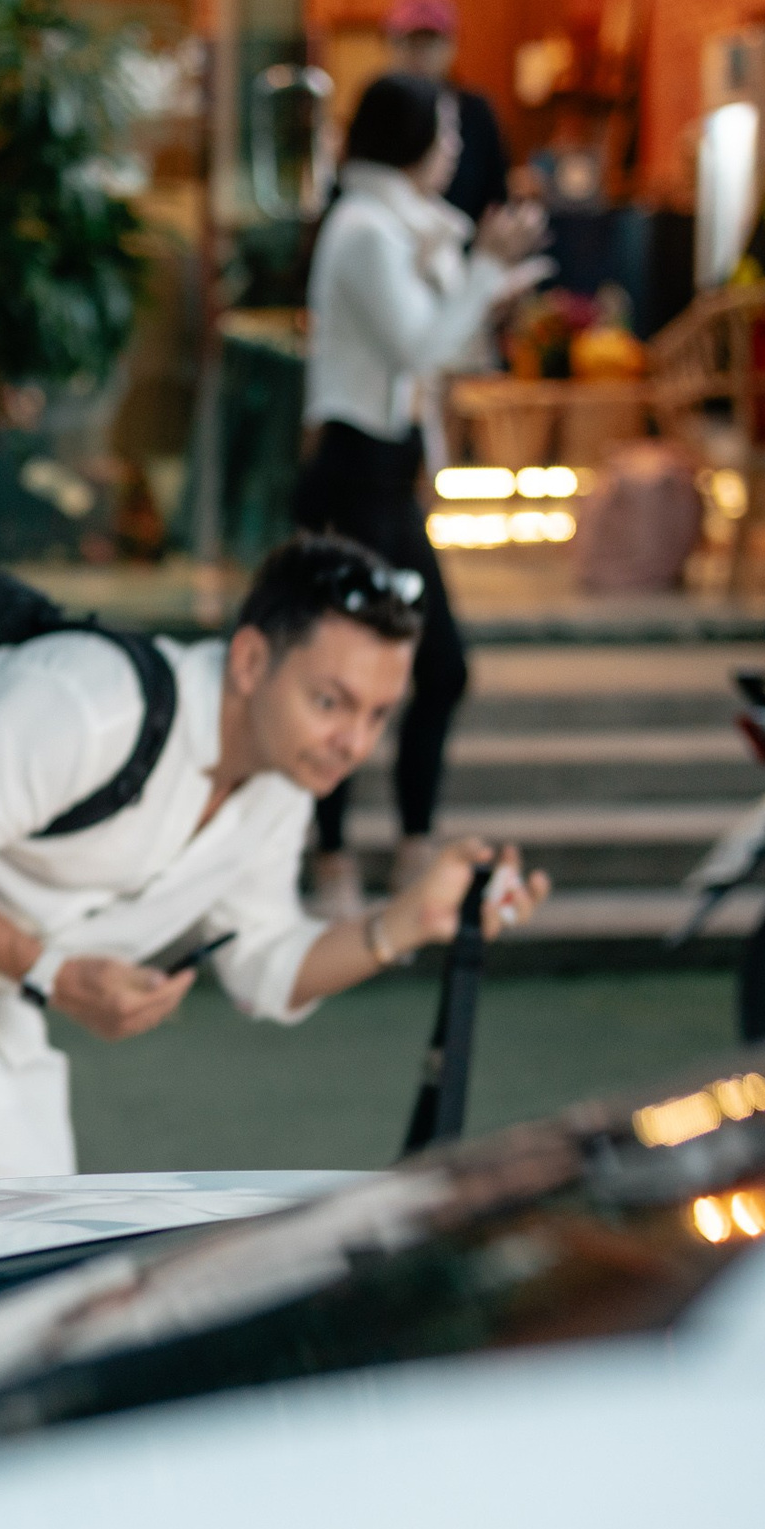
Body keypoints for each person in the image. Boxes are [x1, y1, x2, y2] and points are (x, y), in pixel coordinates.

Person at [0, 535, 551, 1188]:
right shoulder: (91, 700)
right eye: (330, 700)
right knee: (20, 1240)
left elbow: (266, 967)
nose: (355, 742)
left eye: (379, 713)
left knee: (23, 1239)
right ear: (249, 662)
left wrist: (408, 922)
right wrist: (56, 974)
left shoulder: (279, 787)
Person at [297, 72, 549, 916]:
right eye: (442, 132)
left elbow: (448, 347)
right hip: (356, 475)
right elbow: (420, 343)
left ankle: (406, 845)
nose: (453, 148)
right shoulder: (367, 230)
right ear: (404, 139)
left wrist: (489, 282)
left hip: (389, 476)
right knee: (348, 673)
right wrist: (485, 270)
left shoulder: (409, 231)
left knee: (436, 669)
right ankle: (334, 856)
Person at [384, 0, 510, 227]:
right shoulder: (379, 113)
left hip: (463, 248)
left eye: (429, 43)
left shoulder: (476, 111)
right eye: (410, 42)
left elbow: (496, 193)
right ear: (391, 44)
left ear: (451, 45)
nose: (419, 54)